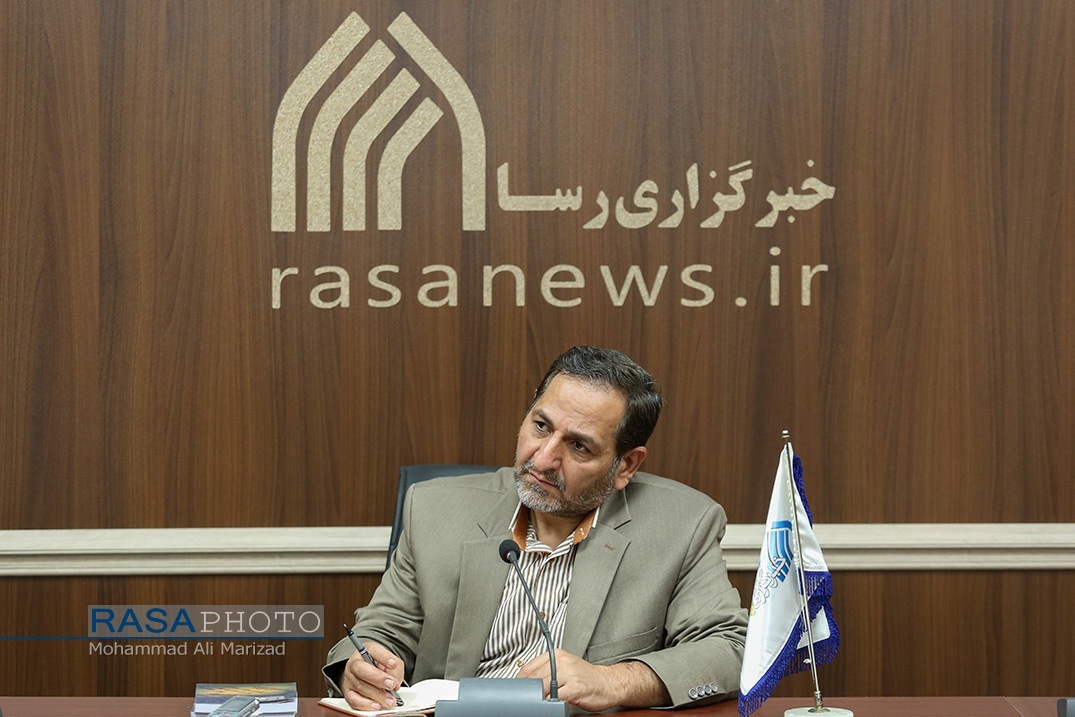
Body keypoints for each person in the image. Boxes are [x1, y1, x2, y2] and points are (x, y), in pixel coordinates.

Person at [324, 346, 747, 711]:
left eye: (578, 445)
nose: (543, 459)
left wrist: (612, 681)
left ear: (626, 465)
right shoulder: (435, 509)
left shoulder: (683, 524)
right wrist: (360, 667)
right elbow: (380, 632)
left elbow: (731, 650)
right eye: (541, 427)